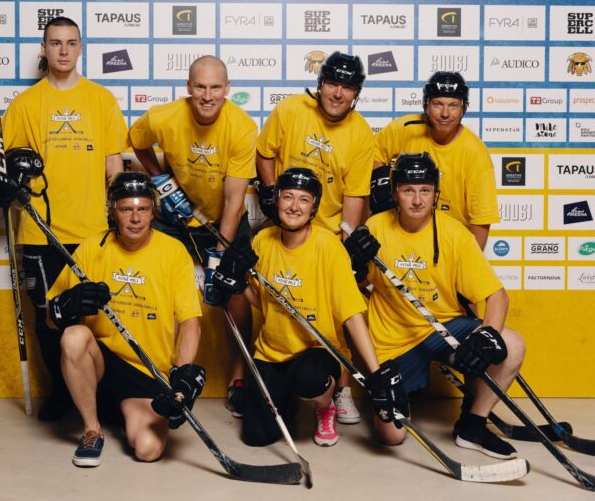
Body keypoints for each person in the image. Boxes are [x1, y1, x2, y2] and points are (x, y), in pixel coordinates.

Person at [346, 153, 525, 459]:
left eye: (425, 190)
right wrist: (356, 266)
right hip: (393, 341)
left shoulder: (455, 233)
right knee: (391, 437)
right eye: (408, 190)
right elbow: (356, 288)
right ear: (395, 194)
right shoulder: (375, 226)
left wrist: (487, 337)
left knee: (511, 343)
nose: (417, 200)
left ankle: (472, 425)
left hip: (443, 328)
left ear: (436, 194)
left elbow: (498, 296)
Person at [212, 168, 405, 447]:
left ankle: (325, 406)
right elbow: (264, 302)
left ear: (313, 207)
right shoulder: (263, 241)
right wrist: (237, 284)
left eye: (303, 200)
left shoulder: (329, 247)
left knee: (309, 377)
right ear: (277, 199)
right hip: (272, 353)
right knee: (256, 437)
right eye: (288, 197)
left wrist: (375, 374)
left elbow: (352, 316)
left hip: (317, 351)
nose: (294, 206)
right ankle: (288, 402)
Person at [0, 16, 126, 421]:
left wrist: (120, 217)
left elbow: (114, 165)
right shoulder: (25, 104)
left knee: (97, 314)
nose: (63, 50)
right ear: (44, 48)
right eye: (55, 43)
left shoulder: (101, 99)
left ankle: (102, 395)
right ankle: (61, 393)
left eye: (71, 43)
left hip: (93, 230)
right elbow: (10, 169)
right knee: (47, 317)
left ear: (80, 48)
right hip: (40, 231)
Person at [44, 172, 203, 467]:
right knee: (73, 336)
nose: (135, 218)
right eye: (126, 209)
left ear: (153, 211)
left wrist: (182, 374)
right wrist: (68, 304)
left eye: (143, 208)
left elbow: (190, 322)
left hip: (143, 369)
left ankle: (124, 413)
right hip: (100, 363)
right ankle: (92, 429)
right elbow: (51, 322)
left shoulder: (173, 252)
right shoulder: (93, 247)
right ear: (113, 212)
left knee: (148, 450)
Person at [128, 55, 256, 417]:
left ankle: (238, 379)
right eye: (200, 87)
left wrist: (218, 255)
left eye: (215, 88)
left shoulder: (242, 127)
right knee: (159, 289)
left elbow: (233, 201)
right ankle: (162, 377)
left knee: (235, 292)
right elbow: (137, 141)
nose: (207, 95)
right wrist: (159, 177)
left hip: (223, 217)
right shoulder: (163, 117)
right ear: (188, 87)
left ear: (227, 89)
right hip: (176, 217)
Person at [255, 51, 375, 423]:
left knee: (337, 314)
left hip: (327, 236)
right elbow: (264, 153)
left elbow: (354, 196)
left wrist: (345, 248)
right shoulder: (290, 110)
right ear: (320, 84)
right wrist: (272, 193)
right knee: (269, 300)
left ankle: (341, 389)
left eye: (347, 87)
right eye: (332, 84)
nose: (338, 93)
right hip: (286, 226)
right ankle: (259, 377)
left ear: (356, 93)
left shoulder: (360, 132)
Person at [371, 71, 499, 251]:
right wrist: (384, 198)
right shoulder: (405, 129)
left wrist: (469, 261)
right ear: (426, 106)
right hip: (402, 236)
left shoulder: (475, 153)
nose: (445, 113)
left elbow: (481, 219)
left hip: (448, 244)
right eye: (438, 104)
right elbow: (373, 155)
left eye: (453, 105)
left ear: (463, 109)